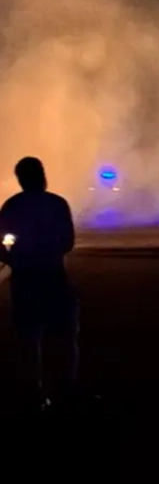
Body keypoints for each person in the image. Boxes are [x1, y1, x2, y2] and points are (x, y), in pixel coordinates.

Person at [0, 157, 78, 412]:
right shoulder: (57, 204)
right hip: (52, 275)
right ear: (42, 175)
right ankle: (66, 391)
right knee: (64, 336)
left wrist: (14, 257)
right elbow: (68, 242)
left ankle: (34, 391)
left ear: (20, 179)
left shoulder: (11, 206)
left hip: (24, 278)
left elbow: (2, 245)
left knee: (29, 337)